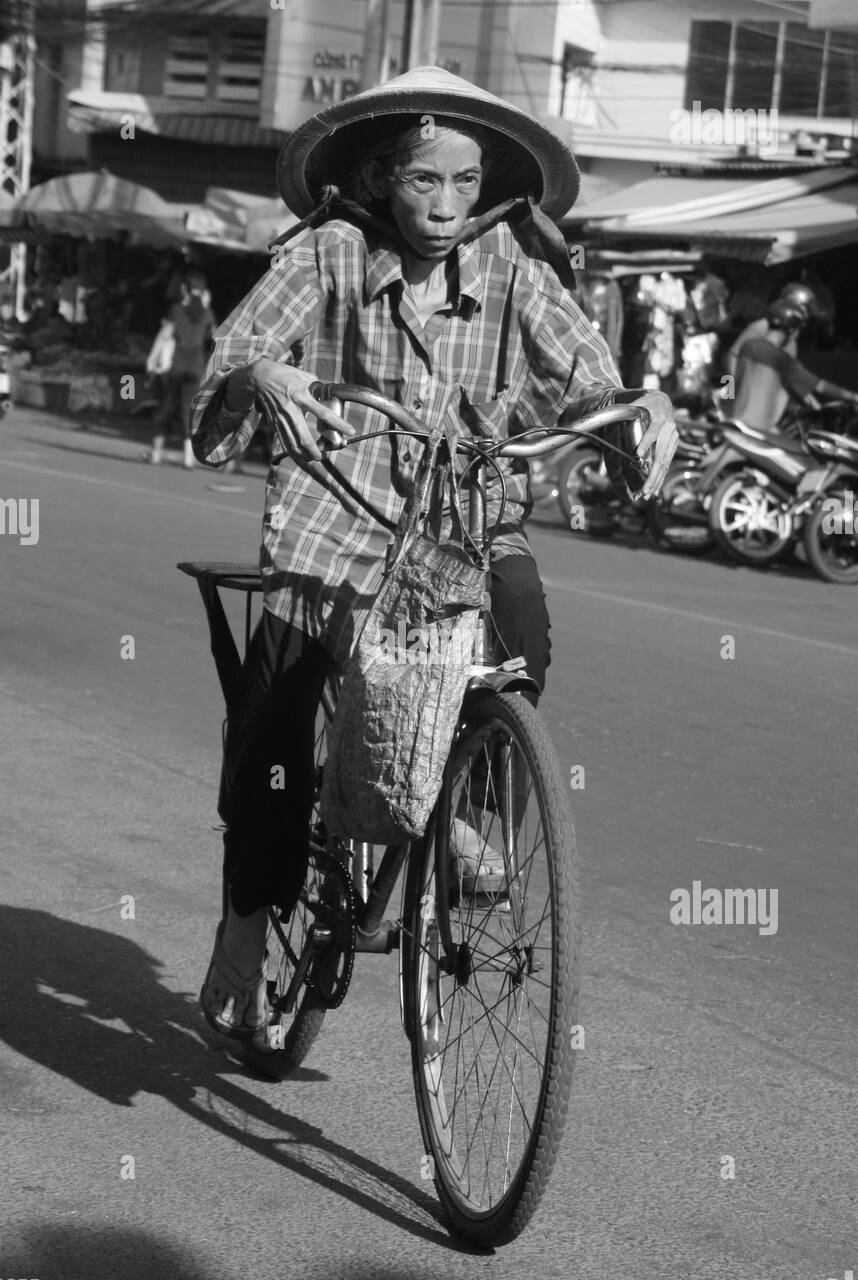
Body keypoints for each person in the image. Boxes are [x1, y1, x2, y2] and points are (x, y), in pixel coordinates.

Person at [188, 66, 679, 1055]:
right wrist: (259, 374)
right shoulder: (324, 254)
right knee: (274, 748)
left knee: (523, 625)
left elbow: (585, 371)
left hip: (464, 525)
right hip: (333, 531)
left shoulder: (508, 266)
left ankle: (467, 811)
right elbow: (221, 387)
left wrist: (639, 408)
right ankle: (247, 922)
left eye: (464, 183)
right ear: (379, 177)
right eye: (423, 182)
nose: (447, 206)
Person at [725, 287, 858, 433]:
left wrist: (807, 397)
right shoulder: (762, 327)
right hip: (746, 407)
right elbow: (731, 357)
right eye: (805, 308)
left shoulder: (790, 342)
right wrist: (731, 393)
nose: (806, 314)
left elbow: (790, 373)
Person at [143, 270, 215, 469]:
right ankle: (187, 457)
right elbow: (213, 335)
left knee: (165, 407)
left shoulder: (176, 310)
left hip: (175, 367)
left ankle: (156, 453)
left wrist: (151, 359)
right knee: (188, 412)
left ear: (184, 289)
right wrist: (206, 307)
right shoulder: (207, 314)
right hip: (196, 368)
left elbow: (165, 335)